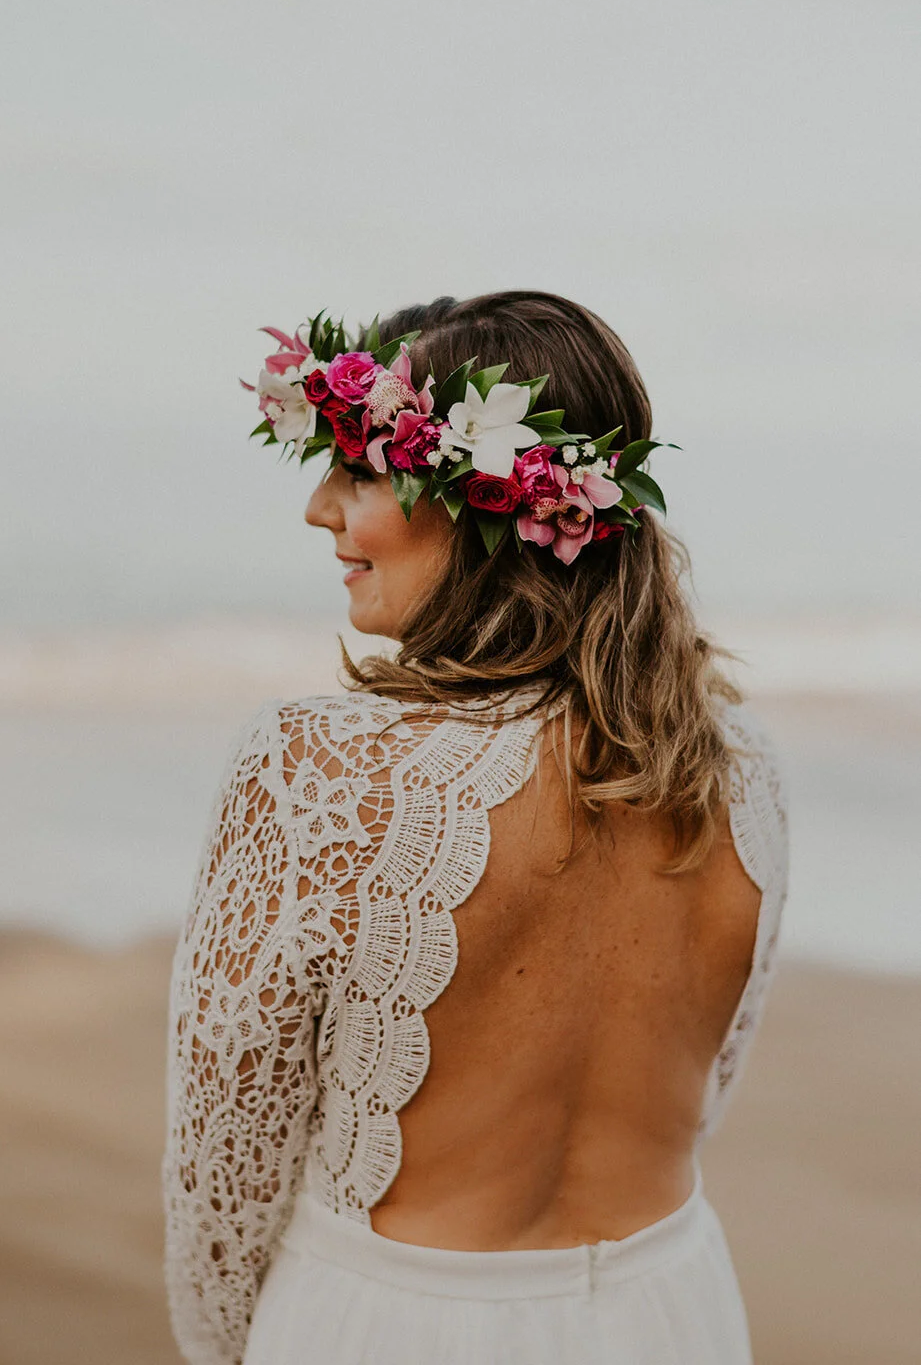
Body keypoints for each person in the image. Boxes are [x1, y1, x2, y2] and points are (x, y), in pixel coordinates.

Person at [162, 290, 788, 1365]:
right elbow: (709, 1081)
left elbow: (224, 1177)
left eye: (360, 470)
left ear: (487, 506)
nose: (320, 508)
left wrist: (240, 1346)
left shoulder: (314, 770)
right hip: (671, 1308)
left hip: (394, 1327)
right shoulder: (740, 768)